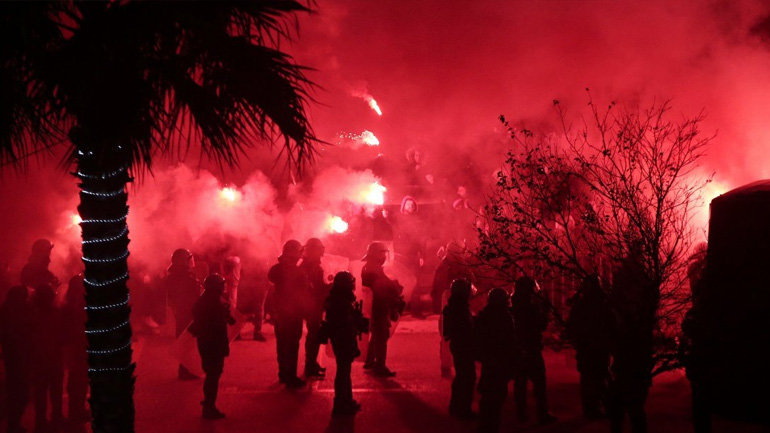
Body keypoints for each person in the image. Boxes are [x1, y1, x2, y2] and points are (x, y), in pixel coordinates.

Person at [608, 248, 657, 433]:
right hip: (633, 358)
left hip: (628, 358)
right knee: (633, 408)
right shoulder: (643, 281)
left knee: (620, 408)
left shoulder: (628, 279)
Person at [566, 274, 614, 419]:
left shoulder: (581, 304)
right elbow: (610, 323)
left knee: (588, 378)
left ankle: (590, 408)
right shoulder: (602, 303)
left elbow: (571, 326)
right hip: (598, 346)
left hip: (587, 347)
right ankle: (596, 406)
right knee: (599, 377)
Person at [189, 274, 236, 419]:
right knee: (213, 375)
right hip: (214, 345)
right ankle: (209, 406)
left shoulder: (202, 301)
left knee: (211, 373)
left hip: (204, 343)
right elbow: (227, 324)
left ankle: (208, 404)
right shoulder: (216, 304)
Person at [511, 276, 556, 425]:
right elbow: (540, 325)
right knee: (539, 384)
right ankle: (542, 414)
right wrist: (546, 309)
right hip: (531, 349)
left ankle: (521, 414)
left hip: (518, 350)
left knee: (520, 384)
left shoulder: (513, 307)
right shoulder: (530, 308)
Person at [267, 240, 308, 387]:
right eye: (299, 252)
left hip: (279, 313)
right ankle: (290, 377)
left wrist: (272, 312)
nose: (300, 255)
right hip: (292, 314)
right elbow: (303, 295)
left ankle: (283, 374)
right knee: (291, 346)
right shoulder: (298, 273)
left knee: (281, 344)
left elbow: (271, 292)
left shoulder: (274, 270)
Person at [473, 288, 515, 433]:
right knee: (496, 395)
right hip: (499, 361)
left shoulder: (484, 316)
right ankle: (491, 425)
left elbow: (477, 340)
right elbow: (511, 341)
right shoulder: (505, 318)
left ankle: (485, 424)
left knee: (488, 394)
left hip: (489, 361)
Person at [324, 271, 365, 416]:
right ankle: (341, 403)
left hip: (340, 338)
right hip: (343, 338)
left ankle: (346, 400)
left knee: (344, 371)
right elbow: (345, 323)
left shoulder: (337, 297)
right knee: (343, 371)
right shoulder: (341, 300)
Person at [361, 242, 403, 377]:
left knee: (376, 334)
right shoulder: (374, 269)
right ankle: (380, 365)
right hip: (378, 306)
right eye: (383, 253)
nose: (384, 256)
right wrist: (395, 287)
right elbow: (382, 286)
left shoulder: (369, 267)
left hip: (374, 306)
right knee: (381, 335)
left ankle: (369, 361)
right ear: (376, 254)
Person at [31, 283, 65, 432]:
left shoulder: (32, 315)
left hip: (39, 360)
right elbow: (63, 336)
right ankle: (56, 418)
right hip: (53, 359)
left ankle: (40, 422)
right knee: (55, 392)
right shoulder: (56, 314)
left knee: (41, 393)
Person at [0, 285, 34, 433]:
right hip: (15, 357)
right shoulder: (9, 312)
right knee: (20, 392)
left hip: (17, 356)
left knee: (18, 392)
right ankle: (13, 424)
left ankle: (13, 423)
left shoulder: (10, 310)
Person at [442, 278, 476, 419]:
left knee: (461, 376)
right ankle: (463, 409)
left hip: (458, 344)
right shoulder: (460, 307)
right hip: (463, 345)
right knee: (467, 377)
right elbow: (465, 328)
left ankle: (455, 405)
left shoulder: (454, 305)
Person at [166, 248, 201, 380]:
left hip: (180, 312)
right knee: (187, 342)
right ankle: (184, 371)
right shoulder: (186, 278)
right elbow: (194, 296)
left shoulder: (172, 276)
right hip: (187, 312)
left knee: (184, 340)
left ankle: (184, 370)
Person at [61, 274, 90, 426]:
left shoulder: (71, 305)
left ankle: (78, 410)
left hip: (78, 347)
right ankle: (75, 412)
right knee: (78, 381)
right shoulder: (74, 306)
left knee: (79, 380)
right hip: (78, 347)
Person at [299, 238, 330, 378]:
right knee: (314, 336)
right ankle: (310, 365)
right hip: (312, 305)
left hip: (314, 304)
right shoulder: (309, 267)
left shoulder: (312, 265)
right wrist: (329, 288)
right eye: (319, 248)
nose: (322, 251)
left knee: (315, 335)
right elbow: (314, 289)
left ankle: (312, 363)